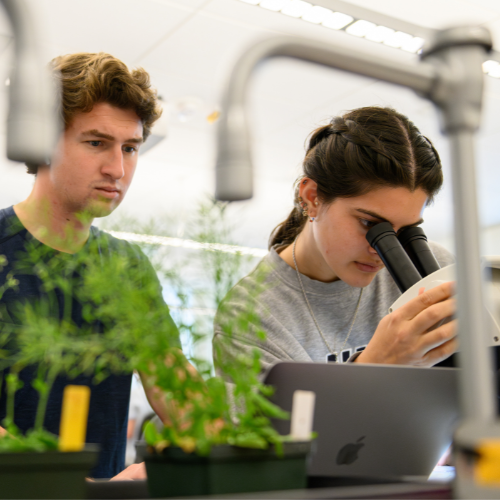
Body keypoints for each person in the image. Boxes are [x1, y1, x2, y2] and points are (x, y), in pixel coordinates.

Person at [0, 52, 180, 479]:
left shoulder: (128, 266)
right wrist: (60, 484)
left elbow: (175, 385)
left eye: (130, 148)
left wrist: (194, 456)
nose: (117, 169)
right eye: (96, 143)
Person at [213, 106, 457, 375]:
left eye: (406, 232)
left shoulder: (436, 270)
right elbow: (282, 419)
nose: (385, 252)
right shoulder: (250, 315)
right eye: (371, 224)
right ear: (311, 198)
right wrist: (375, 366)